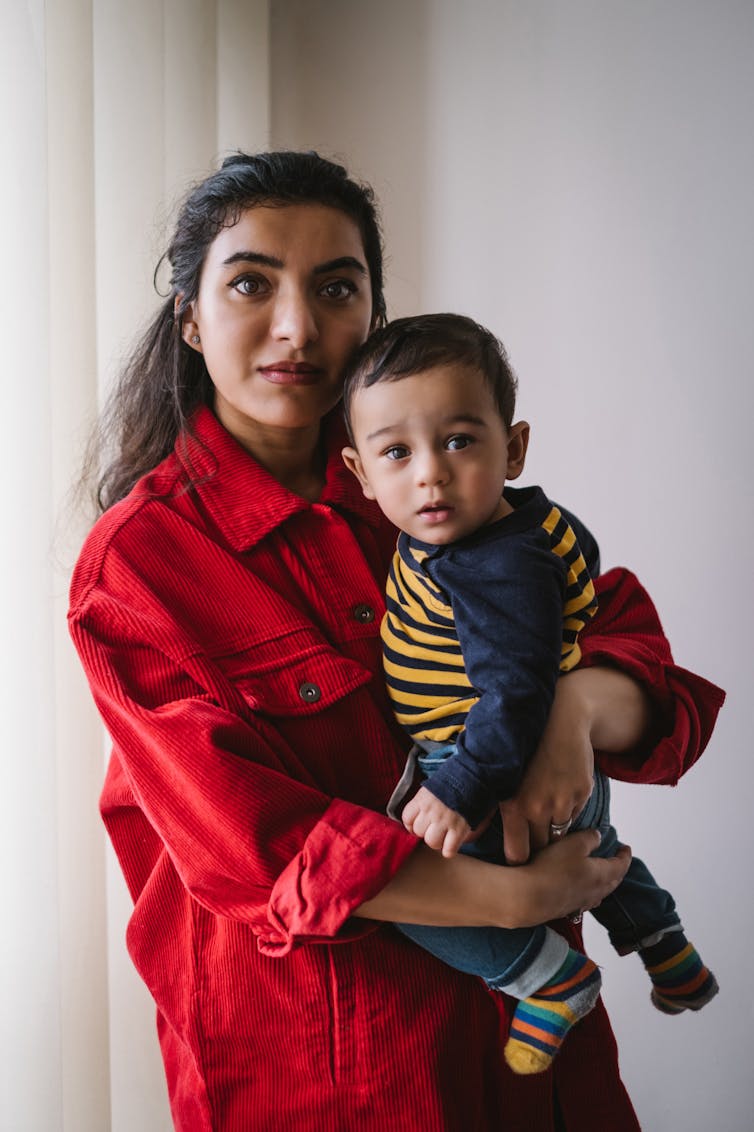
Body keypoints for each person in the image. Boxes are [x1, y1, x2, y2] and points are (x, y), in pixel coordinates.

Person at [68, 151, 725, 1132]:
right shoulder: (141, 564)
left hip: (534, 1062)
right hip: (326, 1072)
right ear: (191, 315)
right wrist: (510, 901)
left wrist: (571, 708)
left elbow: (638, 657)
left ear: (372, 312)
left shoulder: (434, 486)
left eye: (336, 287)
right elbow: (251, 845)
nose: (297, 327)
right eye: (251, 283)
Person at [340, 312, 719, 1076]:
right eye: (397, 453)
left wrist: (463, 787)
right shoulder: (502, 530)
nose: (430, 475)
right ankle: (664, 943)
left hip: (491, 756)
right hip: (530, 756)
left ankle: (550, 980)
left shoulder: (493, 562)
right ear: (360, 473)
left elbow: (514, 690)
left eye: (459, 441)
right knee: (590, 852)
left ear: (512, 447)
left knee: (408, 890)